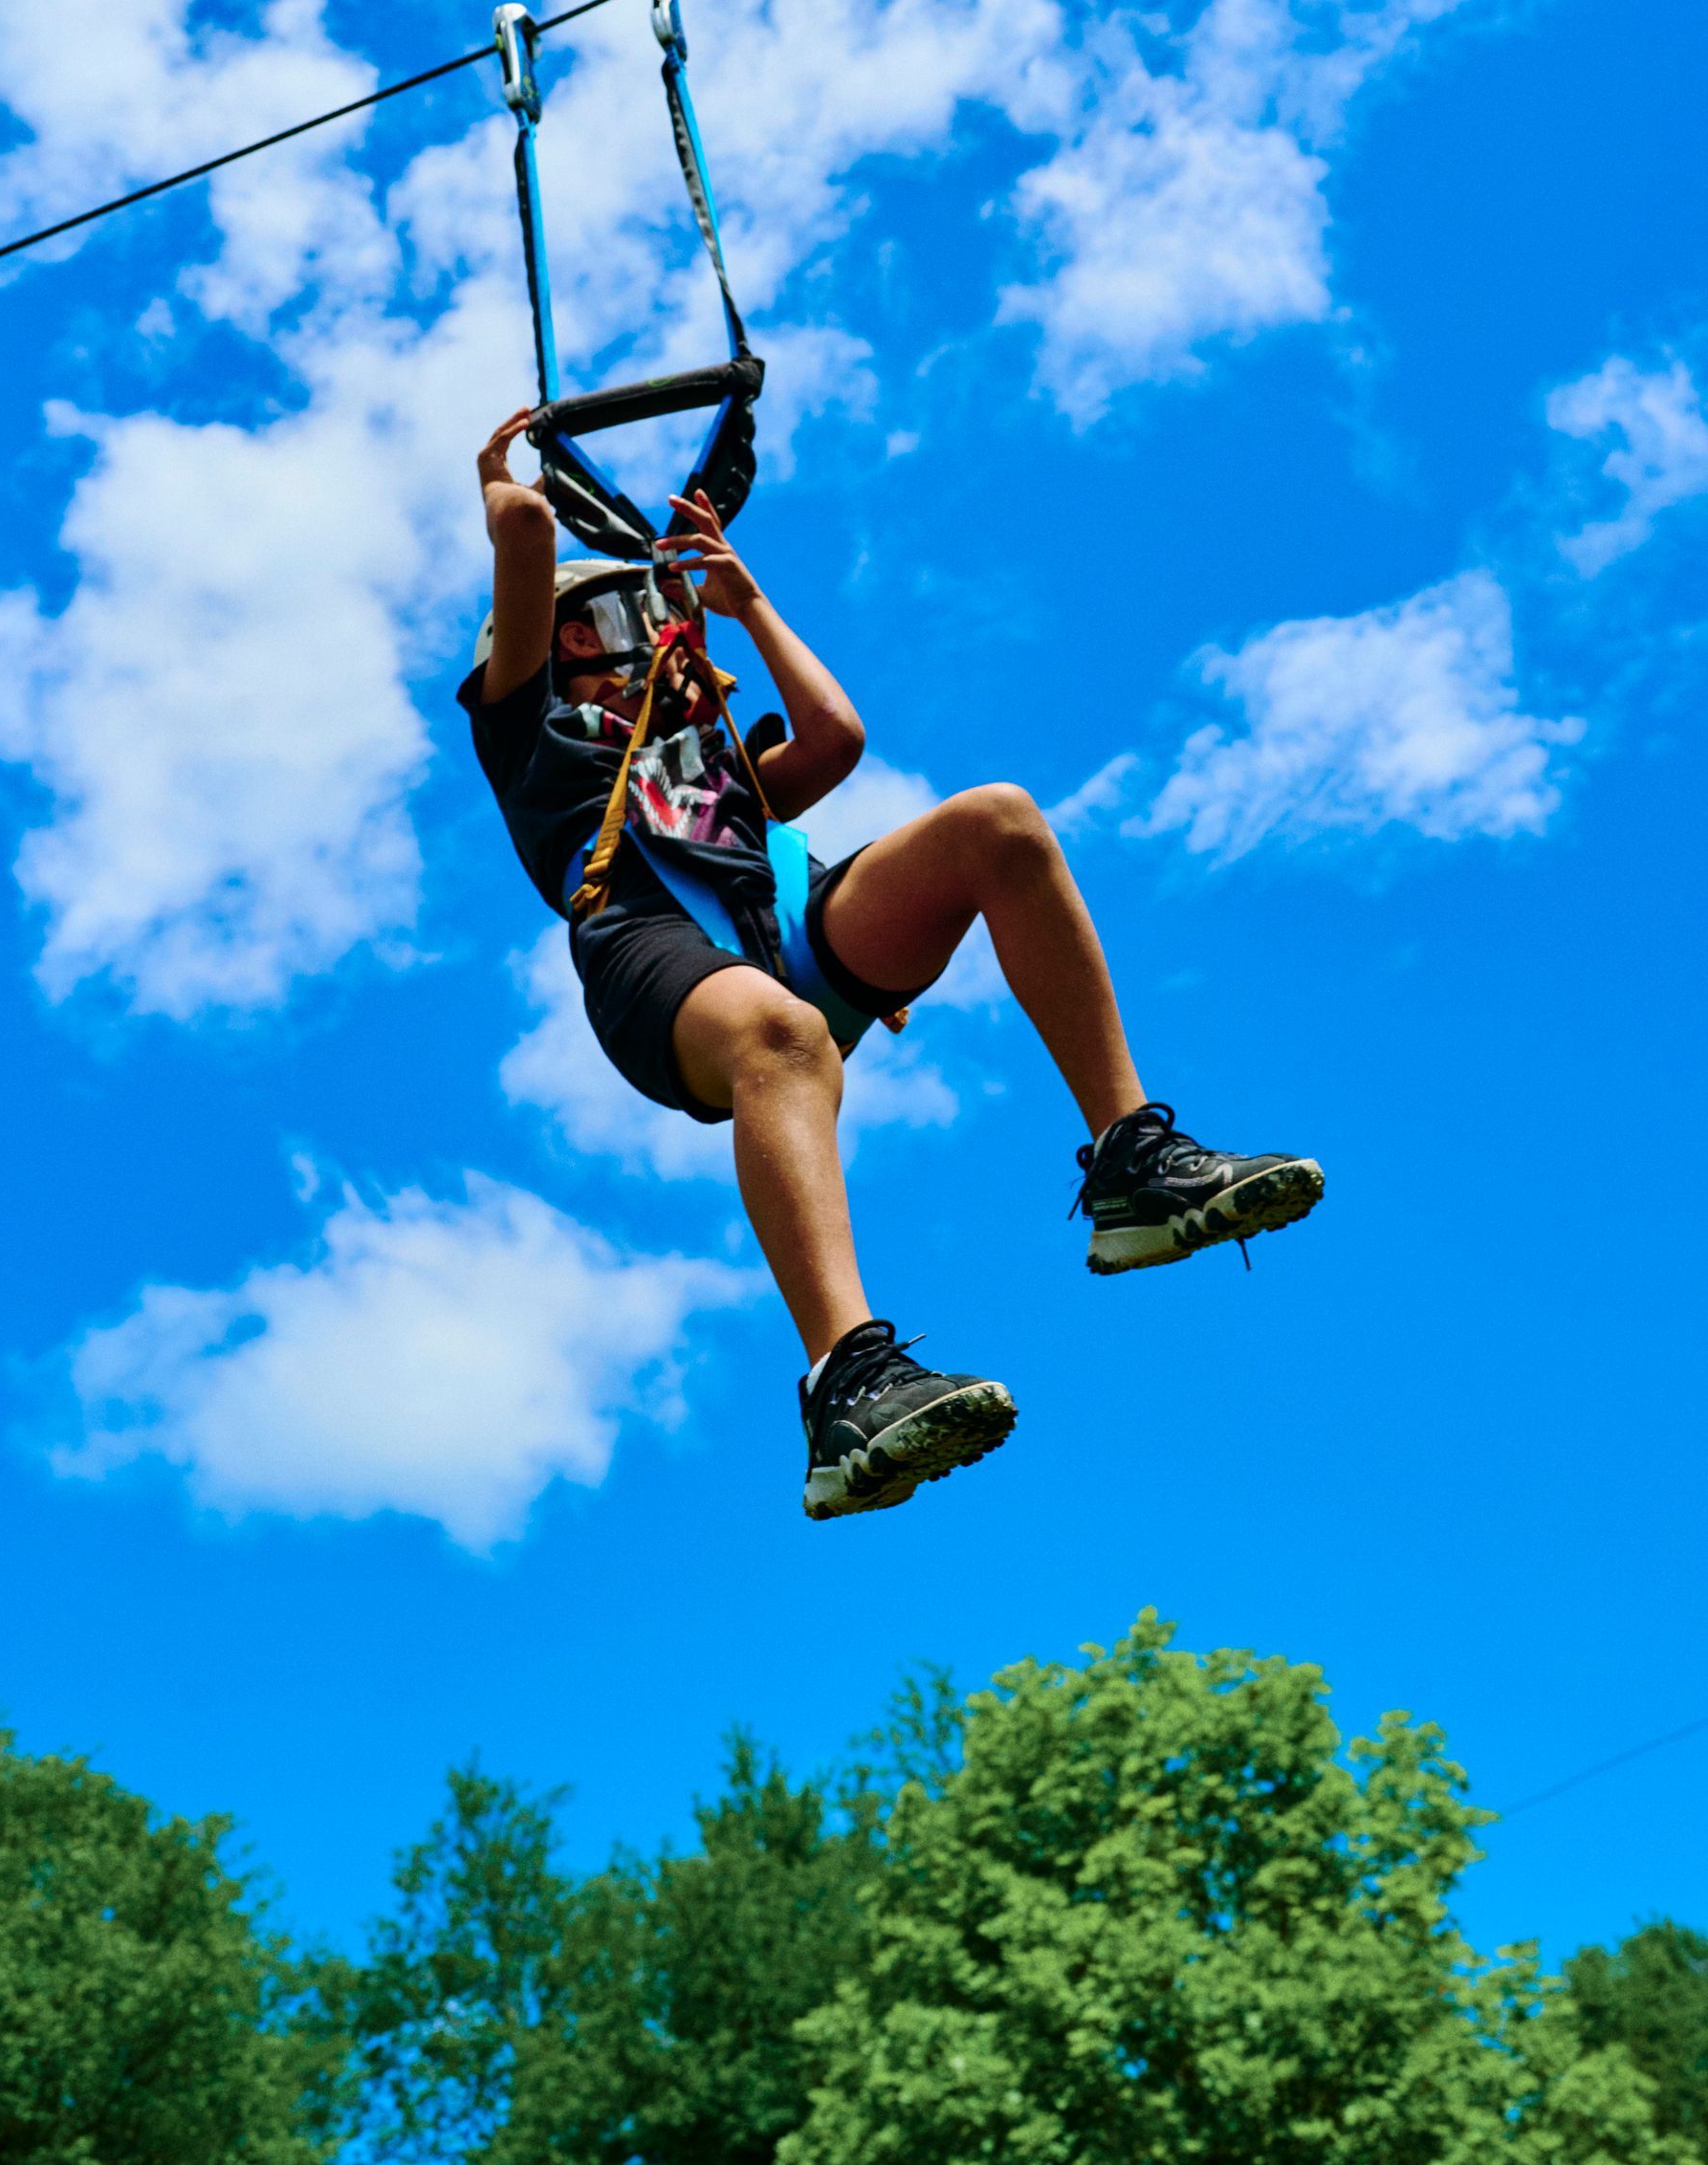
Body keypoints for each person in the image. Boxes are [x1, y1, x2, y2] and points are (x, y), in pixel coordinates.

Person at [460, 408, 1324, 1522]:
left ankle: (1132, 1164)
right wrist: (498, 478)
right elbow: (528, 528)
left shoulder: (711, 769)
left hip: (785, 936)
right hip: (656, 956)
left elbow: (835, 742)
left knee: (997, 824)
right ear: (561, 640)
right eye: (606, 618)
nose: (630, 633)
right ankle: (845, 1383)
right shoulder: (527, 734)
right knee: (782, 1034)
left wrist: (746, 602)